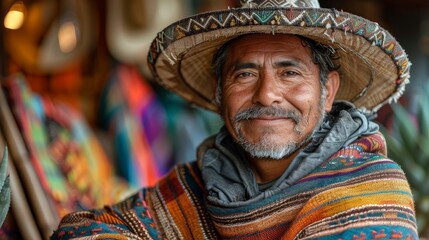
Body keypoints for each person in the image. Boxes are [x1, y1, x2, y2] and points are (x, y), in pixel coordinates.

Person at [51, 0, 419, 239]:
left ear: (328, 91)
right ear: (218, 91)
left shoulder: (371, 191)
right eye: (244, 75)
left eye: (289, 73)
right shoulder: (198, 184)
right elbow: (80, 230)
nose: (266, 94)